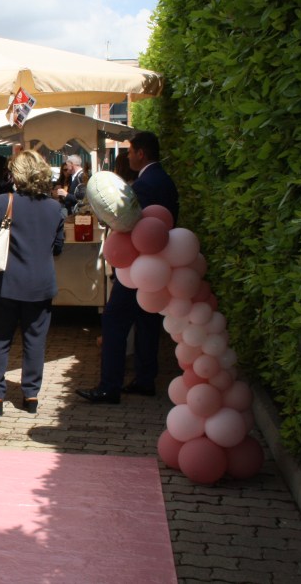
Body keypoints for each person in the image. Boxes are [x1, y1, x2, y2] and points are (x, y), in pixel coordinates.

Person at [76, 131, 179, 404]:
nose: (128, 156)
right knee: (147, 320)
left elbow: (129, 223)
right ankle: (145, 379)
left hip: (137, 266)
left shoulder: (144, 185)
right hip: (155, 265)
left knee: (114, 320)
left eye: (131, 151)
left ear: (141, 153)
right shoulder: (164, 180)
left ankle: (109, 386)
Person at [0, 150, 65, 416]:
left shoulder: (4, 202)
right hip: (40, 283)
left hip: (5, 282)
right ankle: (31, 395)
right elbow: (58, 247)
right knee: (35, 341)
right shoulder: (54, 208)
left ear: (16, 174)